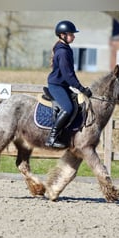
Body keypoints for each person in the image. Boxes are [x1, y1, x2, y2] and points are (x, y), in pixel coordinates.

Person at [45, 20, 92, 149]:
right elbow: (68, 75)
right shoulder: (63, 52)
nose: (74, 36)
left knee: (77, 105)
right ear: (62, 35)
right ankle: (52, 137)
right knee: (68, 108)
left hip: (63, 84)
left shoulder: (66, 49)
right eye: (71, 34)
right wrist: (81, 89)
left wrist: (79, 87)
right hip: (57, 85)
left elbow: (70, 74)